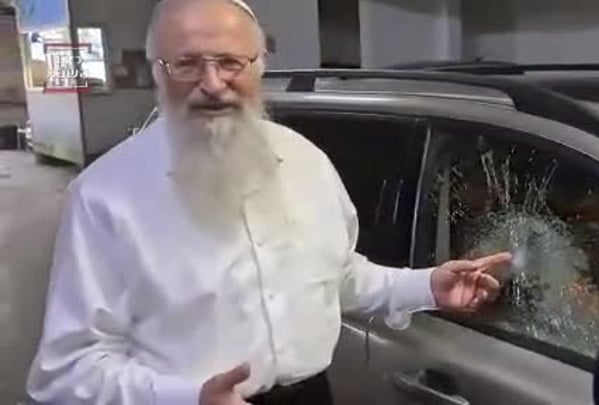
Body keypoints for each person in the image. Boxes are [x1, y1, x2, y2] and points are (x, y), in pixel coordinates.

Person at [24, 0, 511, 404]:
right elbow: (67, 371)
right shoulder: (104, 196)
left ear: (259, 64)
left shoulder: (306, 162)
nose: (212, 83)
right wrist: (187, 396)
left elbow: (336, 277)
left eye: (230, 62)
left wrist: (426, 286)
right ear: (157, 71)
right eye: (187, 64)